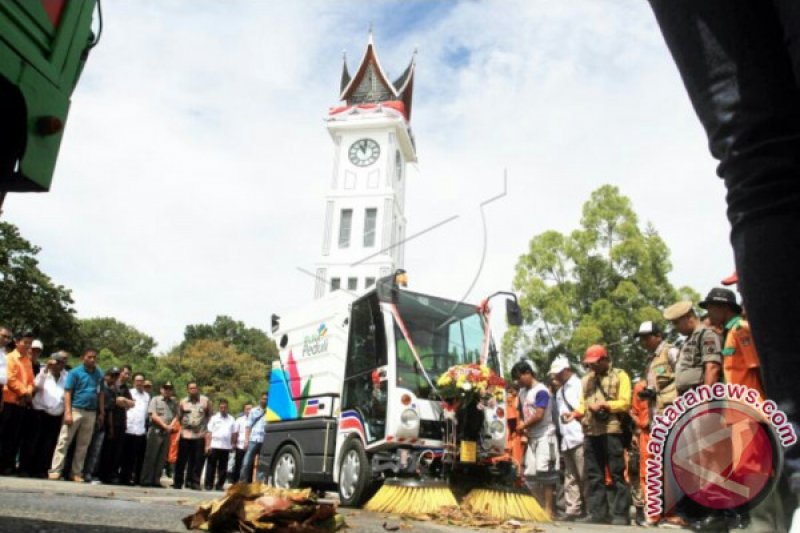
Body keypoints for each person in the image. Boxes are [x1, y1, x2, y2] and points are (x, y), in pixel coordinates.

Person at [645, 4, 800, 524]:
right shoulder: (700, 340)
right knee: (758, 165)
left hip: (750, 400)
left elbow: (718, 372)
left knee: (758, 162)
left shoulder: (718, 334)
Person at [563, 344, 631, 526]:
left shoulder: (620, 376)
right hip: (591, 431)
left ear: (604, 359)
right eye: (589, 364)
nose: (591, 367)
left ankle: (620, 514)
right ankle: (599, 513)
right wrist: (575, 414)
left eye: (594, 363)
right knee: (594, 474)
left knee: (616, 473)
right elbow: (583, 405)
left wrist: (604, 406)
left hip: (611, 429)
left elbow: (625, 403)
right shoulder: (586, 380)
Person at [632, 320, 680, 527]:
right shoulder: (650, 360)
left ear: (658, 335)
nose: (643, 342)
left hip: (671, 416)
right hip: (654, 419)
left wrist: (661, 393)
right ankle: (655, 514)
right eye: (641, 338)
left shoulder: (671, 353)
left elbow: (683, 379)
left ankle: (673, 514)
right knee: (655, 468)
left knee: (671, 467)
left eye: (647, 337)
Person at [48, 349, 105, 482]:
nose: (92, 360)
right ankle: (55, 470)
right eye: (89, 357)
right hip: (75, 409)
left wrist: (101, 412)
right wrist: (68, 412)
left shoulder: (99, 374)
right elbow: (68, 392)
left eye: (94, 357)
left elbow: (100, 393)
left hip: (91, 411)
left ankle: (76, 472)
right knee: (64, 441)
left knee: (83, 444)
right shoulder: (75, 372)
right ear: (82, 358)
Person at [512, 360, 558, 519]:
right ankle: (538, 507)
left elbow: (539, 415)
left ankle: (549, 510)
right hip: (531, 436)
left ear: (528, 373)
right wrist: (522, 426)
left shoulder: (542, 391)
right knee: (530, 474)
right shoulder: (522, 392)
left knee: (544, 473)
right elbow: (520, 411)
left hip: (546, 435)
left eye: (519, 378)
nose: (518, 381)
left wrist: (524, 425)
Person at [548, 355, 586, 521]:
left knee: (583, 474)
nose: (556, 376)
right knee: (570, 476)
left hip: (579, 435)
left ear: (567, 370)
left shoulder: (579, 385)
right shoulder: (560, 391)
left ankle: (590, 508)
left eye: (559, 373)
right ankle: (573, 509)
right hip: (566, 438)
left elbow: (584, 408)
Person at [19, 351, 67, 478]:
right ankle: (25, 468)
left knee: (48, 443)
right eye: (58, 362)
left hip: (55, 414)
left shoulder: (66, 376)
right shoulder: (43, 372)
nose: (60, 365)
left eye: (62, 362)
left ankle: (40, 469)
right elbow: (36, 386)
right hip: (40, 412)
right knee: (33, 441)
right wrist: (46, 369)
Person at [0, 331, 35, 474]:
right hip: (8, 401)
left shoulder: (27, 360)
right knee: (3, 435)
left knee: (14, 436)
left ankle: (8, 465)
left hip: (20, 403)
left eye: (30, 343)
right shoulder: (10, 358)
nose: (28, 346)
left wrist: (28, 393)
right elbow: (10, 379)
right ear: (17, 342)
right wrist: (25, 393)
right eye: (25, 342)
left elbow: (31, 380)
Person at [173, 382, 210, 490]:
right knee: (181, 460)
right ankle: (178, 482)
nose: (193, 390)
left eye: (195, 388)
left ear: (198, 389)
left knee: (198, 460)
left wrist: (203, 427)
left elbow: (209, 415)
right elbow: (179, 416)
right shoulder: (183, 402)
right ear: (188, 390)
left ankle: (194, 482)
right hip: (185, 435)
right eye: (191, 388)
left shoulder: (205, 401)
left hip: (199, 435)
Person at [140, 381, 178, 488]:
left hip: (167, 433)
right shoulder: (155, 399)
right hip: (155, 431)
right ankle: (146, 480)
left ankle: (156, 480)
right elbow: (153, 415)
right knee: (151, 456)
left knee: (161, 458)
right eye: (165, 388)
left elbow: (177, 415)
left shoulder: (174, 402)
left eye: (169, 389)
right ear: (161, 389)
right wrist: (165, 426)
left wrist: (171, 426)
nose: (167, 391)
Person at [120, 373, 150, 485]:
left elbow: (146, 414)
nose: (139, 383)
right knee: (126, 456)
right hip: (129, 427)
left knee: (138, 457)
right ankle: (124, 478)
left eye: (141, 381)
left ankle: (136, 478)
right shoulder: (130, 392)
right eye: (137, 380)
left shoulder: (147, 396)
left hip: (140, 429)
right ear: (133, 382)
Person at [204, 398, 237, 491]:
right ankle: (208, 485)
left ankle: (219, 485)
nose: (223, 409)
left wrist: (233, 444)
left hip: (226, 446)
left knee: (223, 467)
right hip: (214, 445)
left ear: (227, 408)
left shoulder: (232, 419)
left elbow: (234, 433)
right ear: (219, 408)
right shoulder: (214, 418)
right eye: (221, 407)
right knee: (211, 466)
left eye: (225, 407)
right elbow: (209, 432)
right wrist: (207, 445)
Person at [239, 392, 267, 483]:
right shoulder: (254, 411)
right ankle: (243, 483)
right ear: (260, 399)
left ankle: (258, 485)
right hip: (253, 439)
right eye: (263, 398)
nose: (265, 400)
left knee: (262, 465)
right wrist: (246, 440)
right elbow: (248, 426)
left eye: (266, 399)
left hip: (264, 440)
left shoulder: (271, 412)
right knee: (246, 462)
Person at [229, 402, 252, 484]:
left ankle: (247, 482)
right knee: (238, 464)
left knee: (249, 465)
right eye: (247, 409)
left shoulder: (255, 420)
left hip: (251, 446)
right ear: (244, 410)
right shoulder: (239, 420)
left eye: (250, 409)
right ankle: (235, 481)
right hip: (240, 445)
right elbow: (235, 433)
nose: (249, 411)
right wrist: (234, 444)